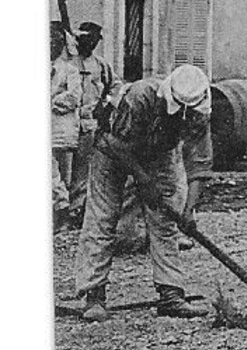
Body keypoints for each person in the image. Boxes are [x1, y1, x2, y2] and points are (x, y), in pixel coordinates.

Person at [70, 64, 215, 322]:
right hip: (112, 148)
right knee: (103, 218)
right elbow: (116, 143)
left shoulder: (199, 112)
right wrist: (143, 179)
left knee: (166, 222)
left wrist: (188, 211)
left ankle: (171, 294)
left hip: (159, 152)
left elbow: (199, 164)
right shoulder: (141, 96)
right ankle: (94, 294)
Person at [66, 22, 119, 216]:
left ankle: (78, 207)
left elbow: (115, 87)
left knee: (83, 167)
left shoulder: (101, 65)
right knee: (64, 167)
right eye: (88, 39)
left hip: (88, 122)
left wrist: (105, 104)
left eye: (95, 40)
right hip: (66, 121)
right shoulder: (68, 63)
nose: (91, 44)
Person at [51, 23, 81, 230]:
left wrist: (52, 100)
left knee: (64, 174)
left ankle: (65, 215)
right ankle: (57, 209)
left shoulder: (69, 70)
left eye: (56, 42)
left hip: (63, 129)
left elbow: (74, 96)